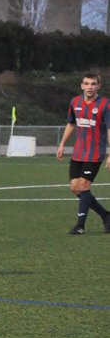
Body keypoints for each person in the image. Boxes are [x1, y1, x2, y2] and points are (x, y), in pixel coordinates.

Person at [55, 72, 110, 235]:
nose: (90, 87)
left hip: (94, 154)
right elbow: (71, 124)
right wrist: (62, 143)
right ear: (82, 86)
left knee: (84, 186)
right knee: (75, 188)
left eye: (93, 84)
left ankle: (80, 226)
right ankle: (105, 215)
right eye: (87, 83)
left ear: (98, 86)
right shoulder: (75, 102)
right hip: (78, 152)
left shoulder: (106, 105)